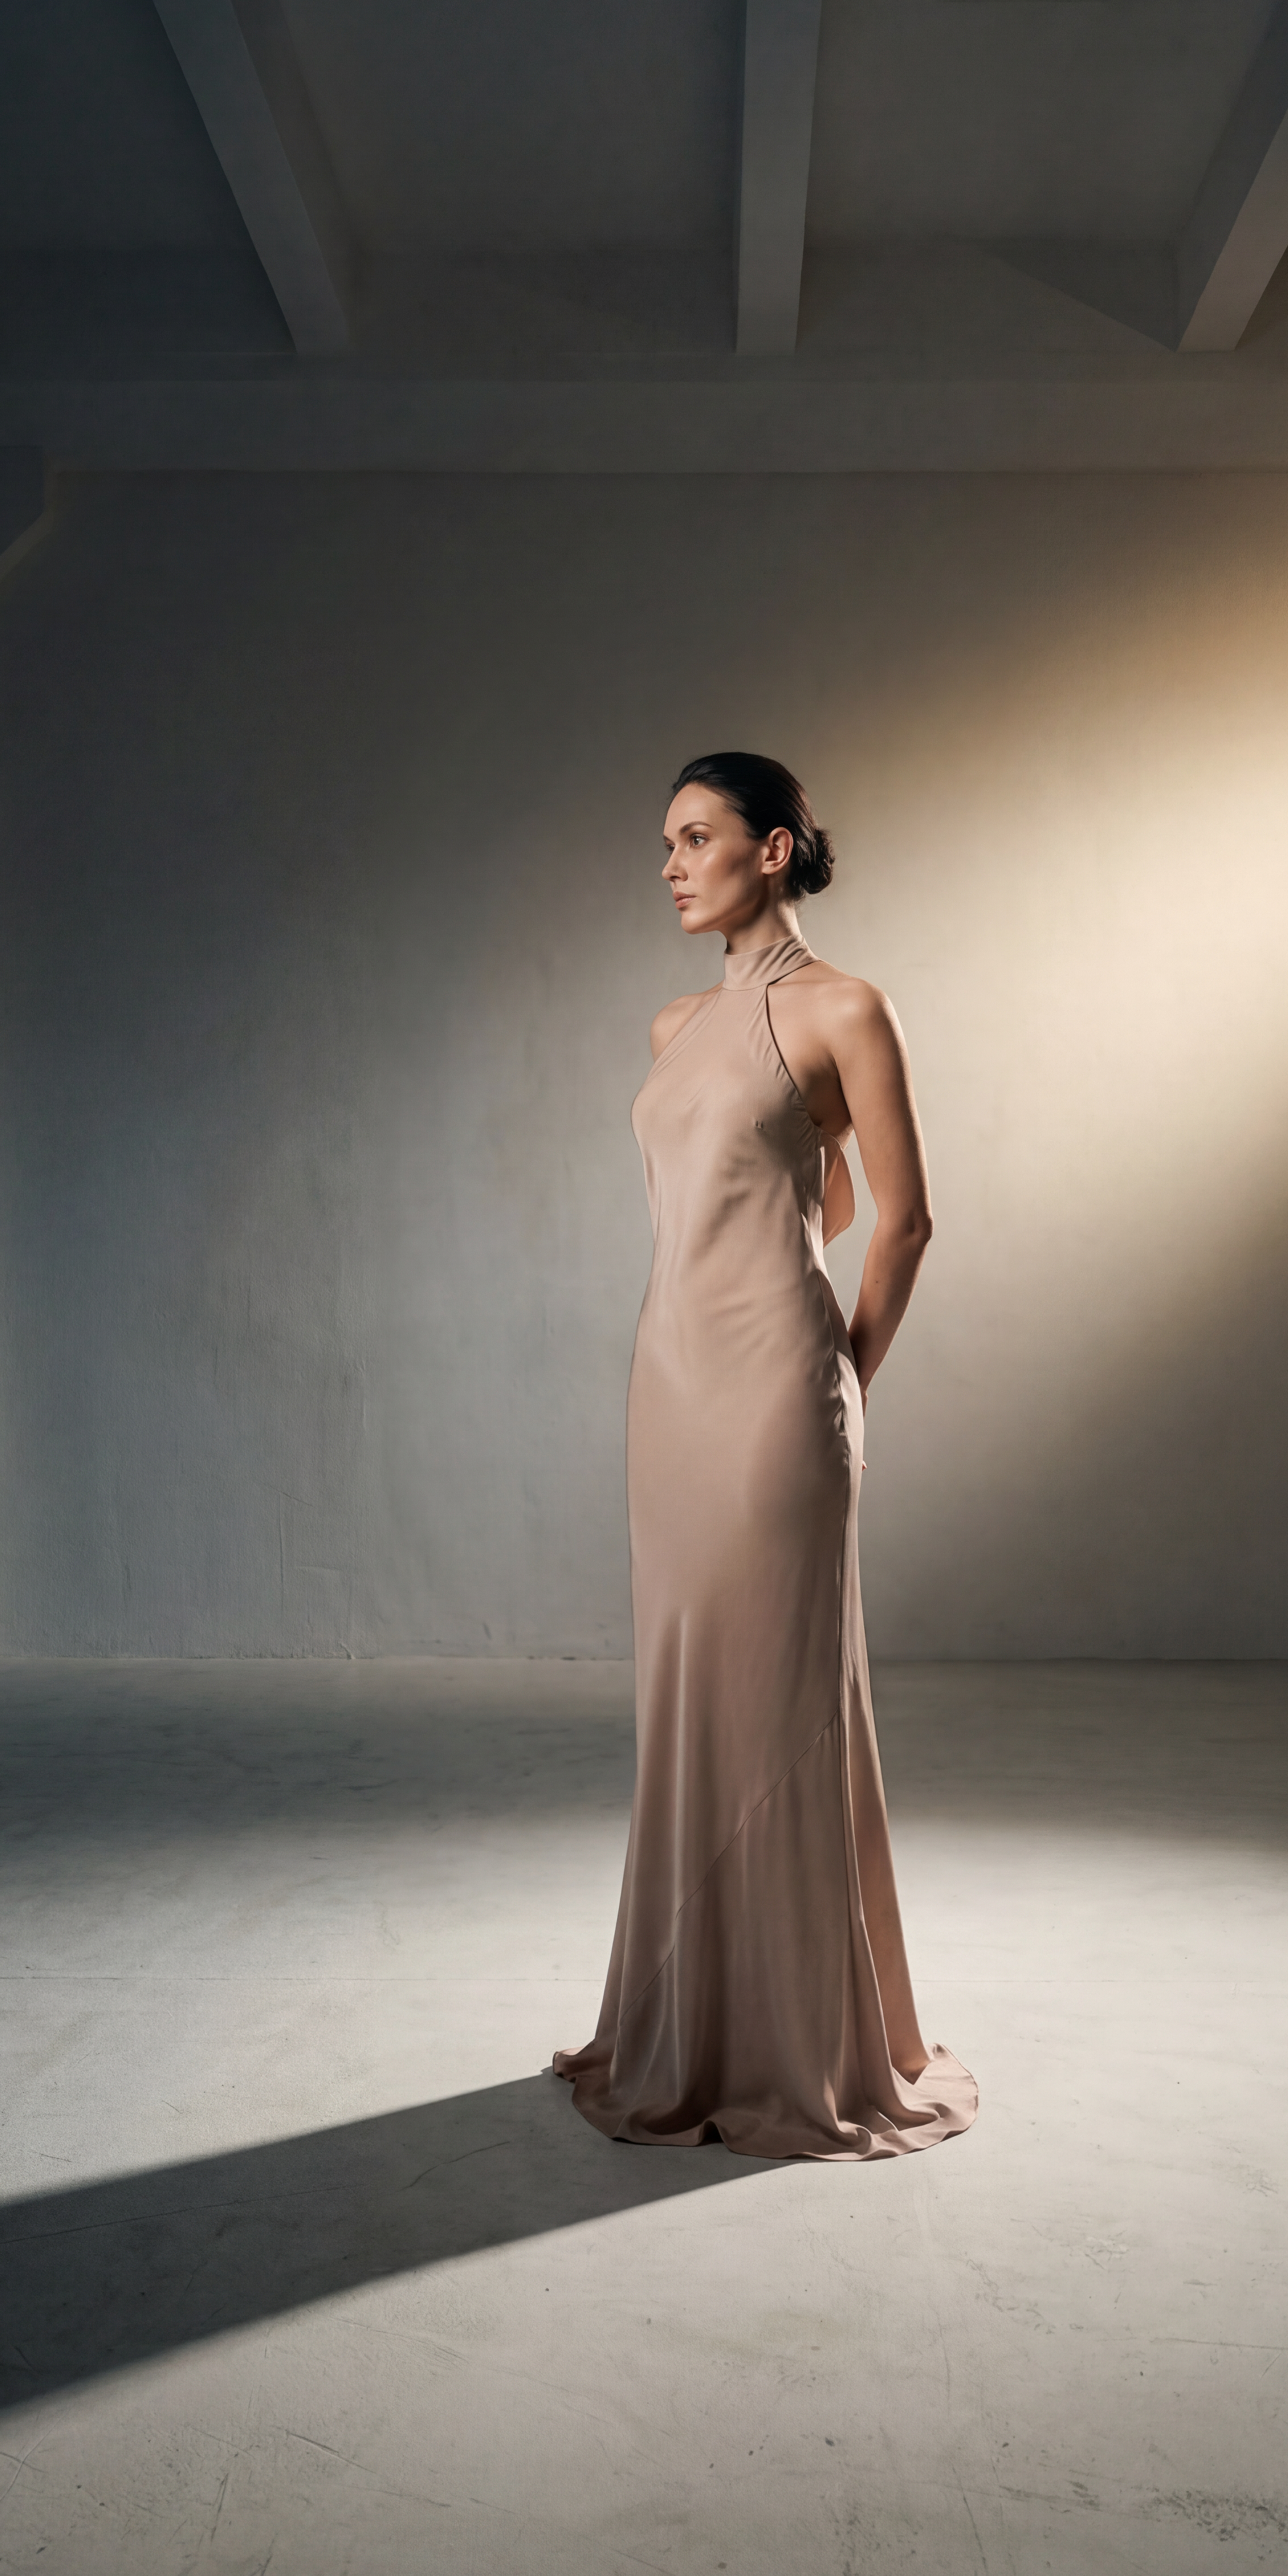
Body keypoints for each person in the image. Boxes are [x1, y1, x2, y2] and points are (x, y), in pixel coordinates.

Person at [553, 752, 977, 2161]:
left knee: (782, 1703)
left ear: (775, 849)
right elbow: (798, 1184)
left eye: (697, 837)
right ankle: (689, 2025)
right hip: (669, 1394)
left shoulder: (848, 1008)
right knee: (690, 1700)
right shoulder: (676, 1022)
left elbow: (900, 1220)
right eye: (663, 841)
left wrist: (838, 1375)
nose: (671, 863)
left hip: (780, 1401)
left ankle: (802, 2046)